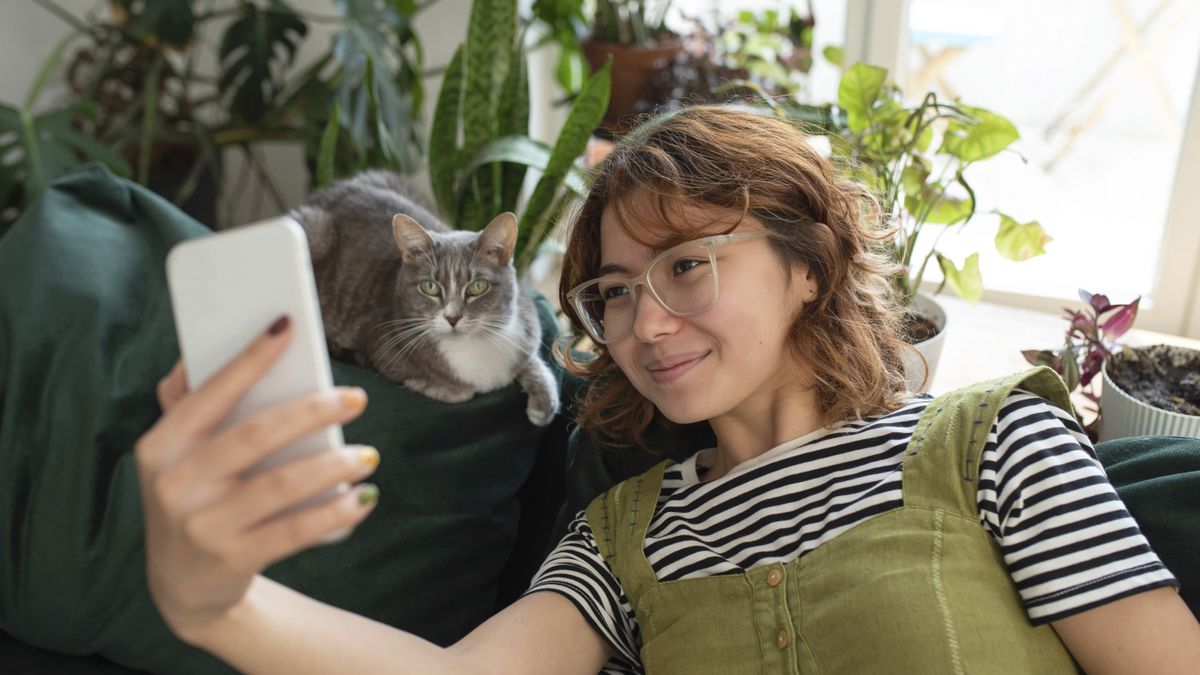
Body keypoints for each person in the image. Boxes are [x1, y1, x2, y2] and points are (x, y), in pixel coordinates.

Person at [135, 105, 1200, 674]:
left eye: (688, 265)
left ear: (810, 265)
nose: (643, 321)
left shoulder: (997, 441)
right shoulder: (617, 539)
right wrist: (213, 600)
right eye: (608, 291)